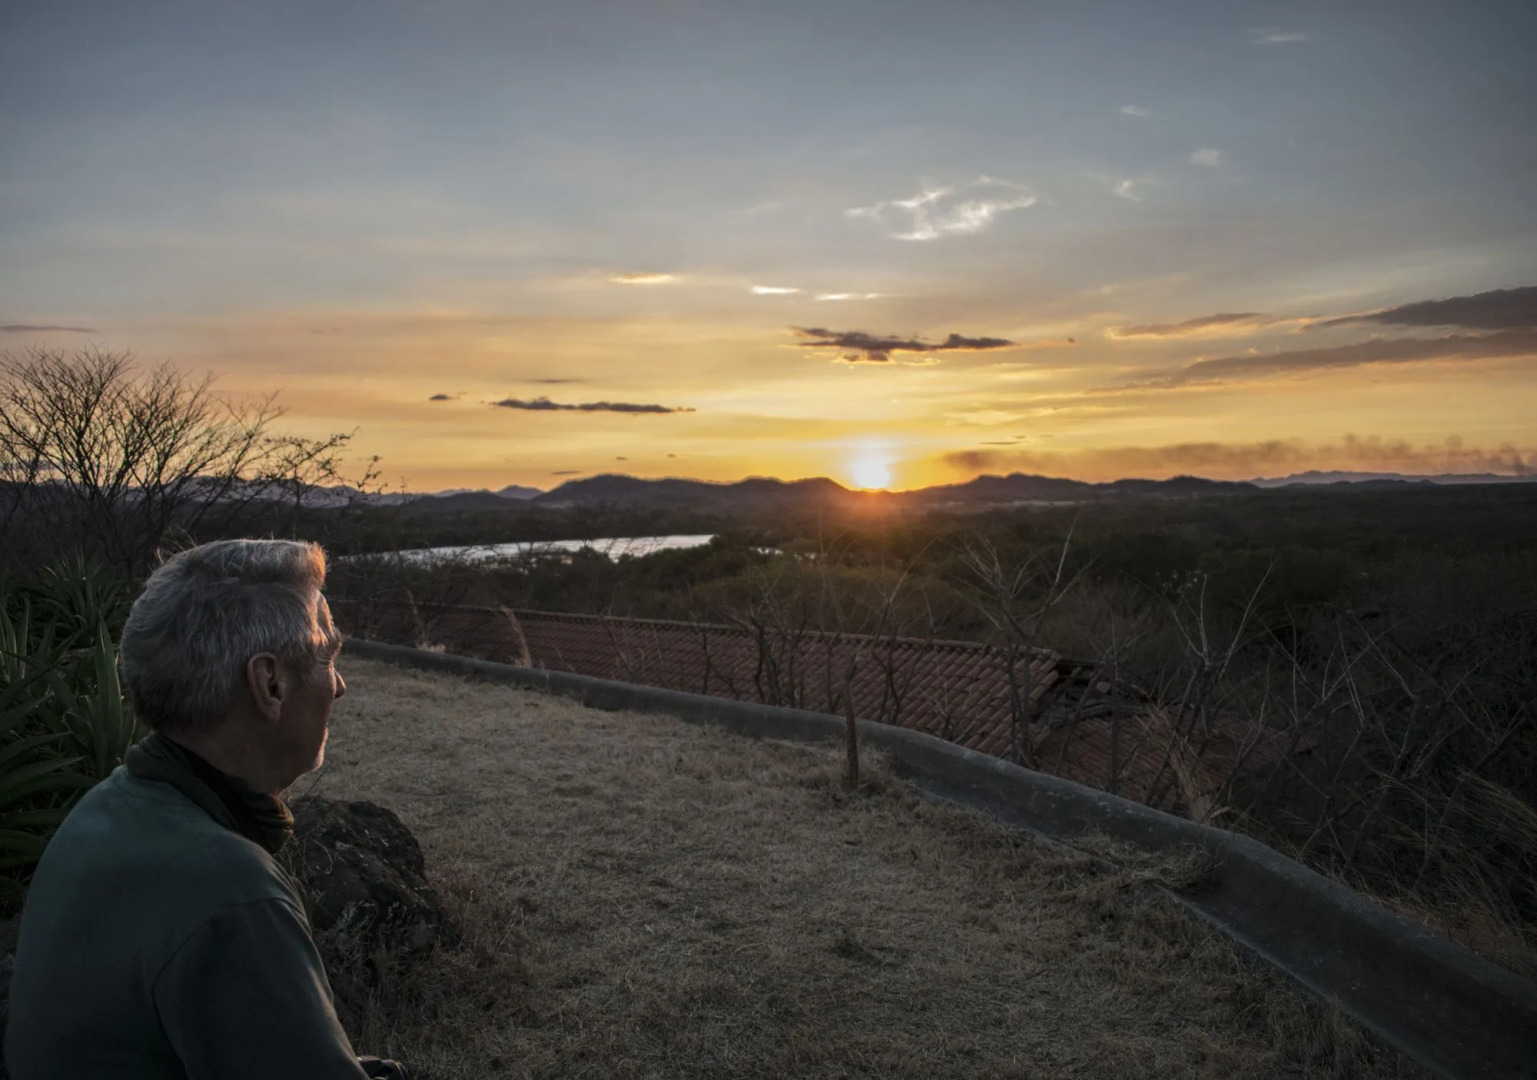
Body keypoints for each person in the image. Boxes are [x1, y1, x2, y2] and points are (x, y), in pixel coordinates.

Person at [5, 539, 409, 1079]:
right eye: (327, 657)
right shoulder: (232, 894)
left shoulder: (104, 810)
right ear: (270, 683)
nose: (340, 685)